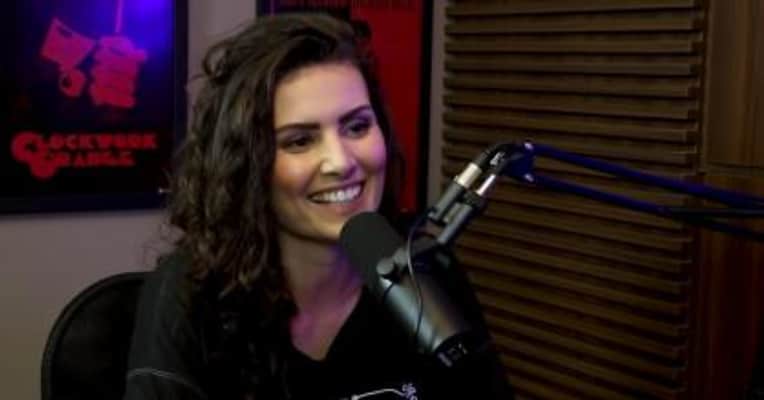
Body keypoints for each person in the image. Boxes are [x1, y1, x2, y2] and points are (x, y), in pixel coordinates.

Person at [123, 13, 512, 400]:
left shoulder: (425, 273)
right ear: (247, 164)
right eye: (299, 141)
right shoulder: (188, 298)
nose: (340, 162)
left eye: (357, 127)